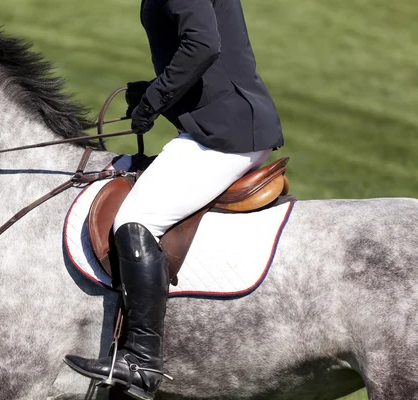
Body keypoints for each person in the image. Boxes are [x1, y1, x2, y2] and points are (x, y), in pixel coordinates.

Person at [65, 0, 284, 398]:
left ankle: (142, 361)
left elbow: (203, 44)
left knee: (136, 221)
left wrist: (156, 98)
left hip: (226, 135)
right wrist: (154, 92)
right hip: (217, 125)